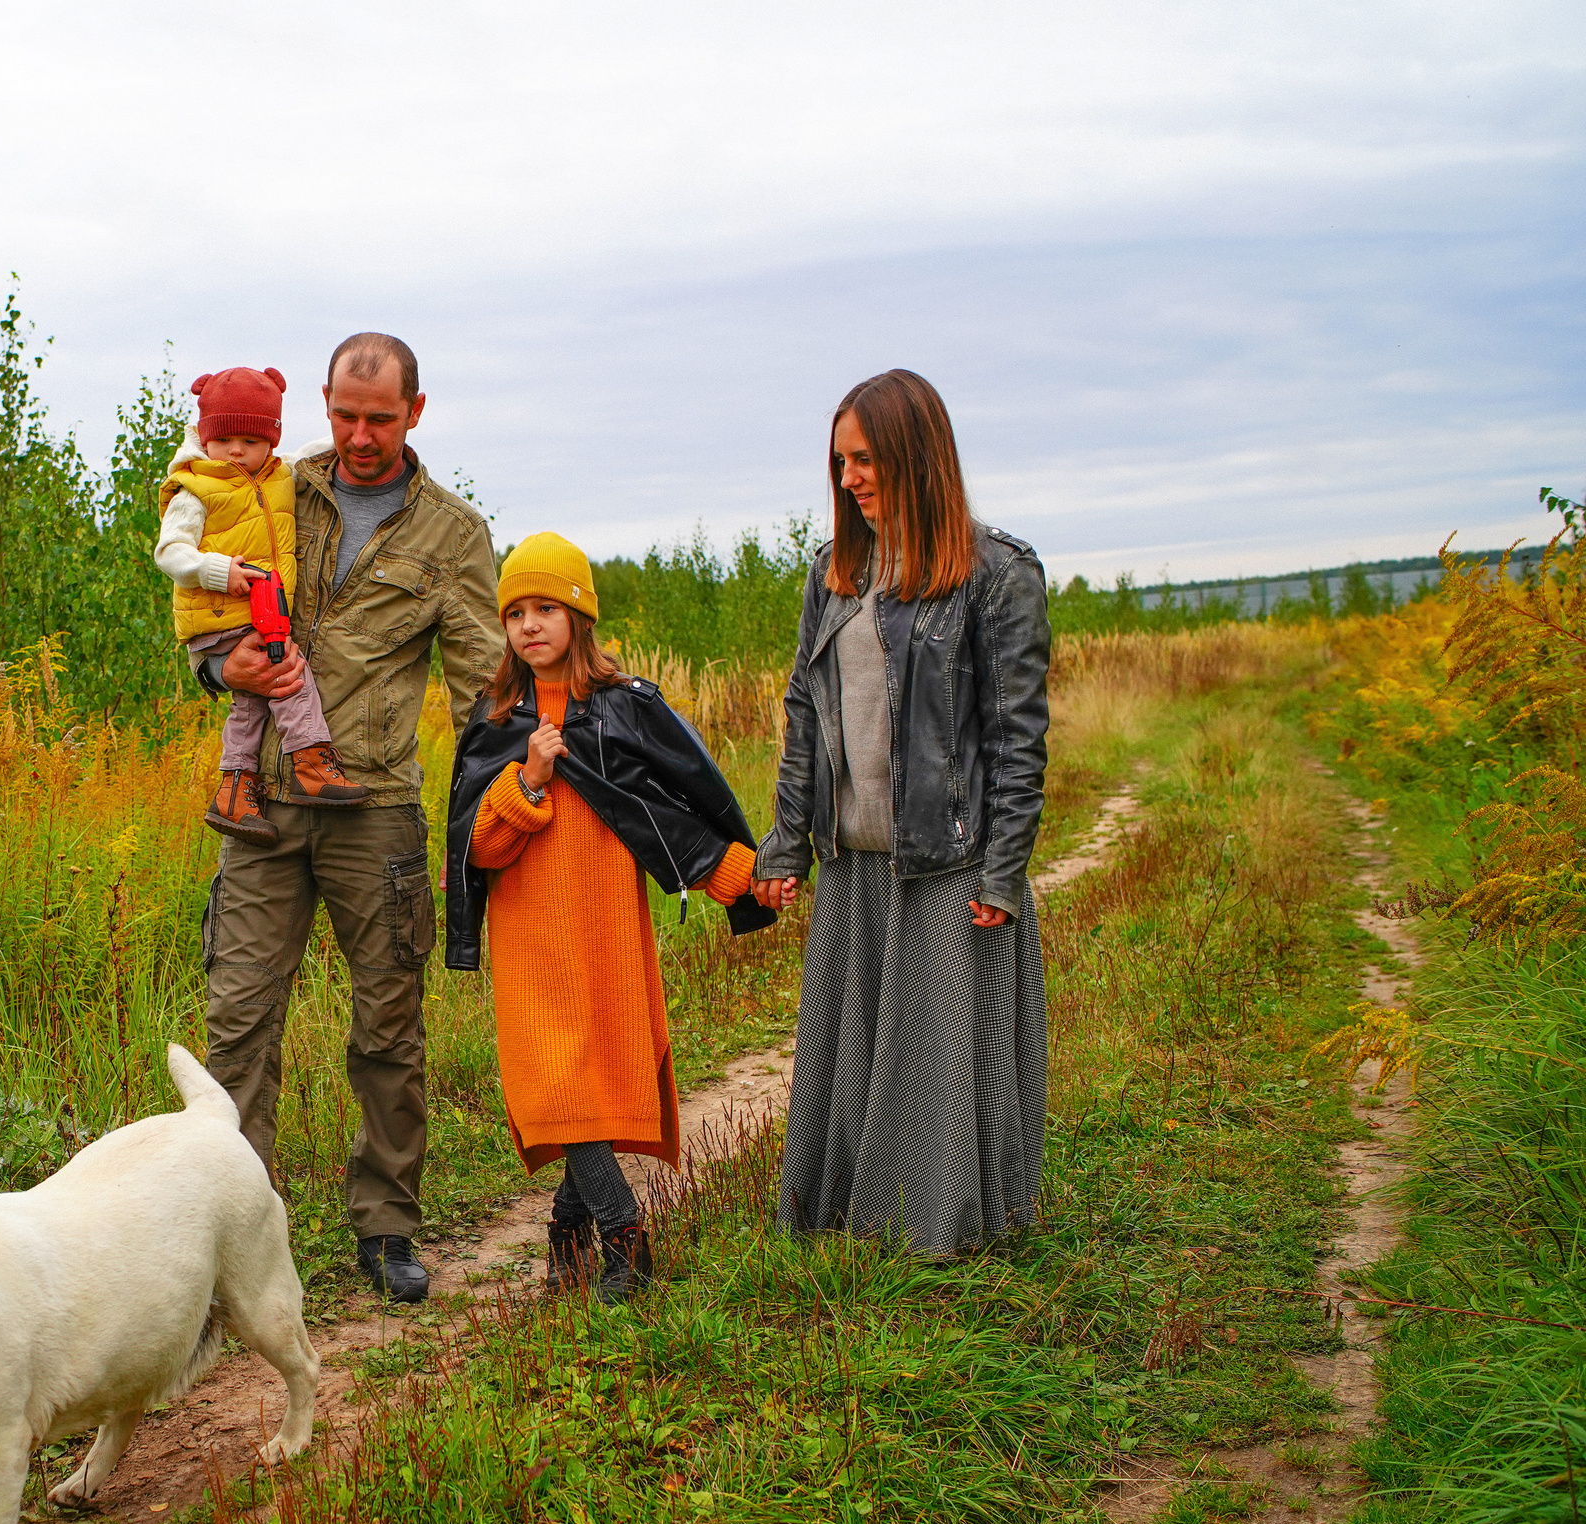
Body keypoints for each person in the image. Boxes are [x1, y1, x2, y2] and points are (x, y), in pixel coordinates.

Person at [198, 332, 503, 1303]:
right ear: (322, 403)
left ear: (415, 412)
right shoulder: (272, 490)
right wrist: (215, 666)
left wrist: (499, 815)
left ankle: (385, 1228)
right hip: (259, 812)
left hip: (375, 813)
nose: (359, 436)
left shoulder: (452, 535)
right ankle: (235, 1250)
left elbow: (481, 692)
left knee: (387, 1027)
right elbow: (200, 597)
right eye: (343, 414)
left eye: (378, 418)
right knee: (238, 1024)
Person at [750, 368, 1052, 1257]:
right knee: (850, 1059)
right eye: (841, 462)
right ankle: (848, 1221)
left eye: (868, 459)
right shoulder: (833, 576)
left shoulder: (997, 575)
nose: (851, 480)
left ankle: (943, 1230)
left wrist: (1002, 869)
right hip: (854, 860)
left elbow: (1016, 740)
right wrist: (786, 845)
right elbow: (806, 716)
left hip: (948, 864)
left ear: (919, 456)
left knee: (941, 1063)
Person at [443, 535, 779, 1301]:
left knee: (585, 1083)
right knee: (552, 1084)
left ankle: (569, 1227)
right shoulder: (495, 716)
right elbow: (477, 851)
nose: (530, 626)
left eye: (546, 609)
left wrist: (749, 880)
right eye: (515, 612)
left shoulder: (627, 707)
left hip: (602, 934)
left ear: (579, 616)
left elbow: (677, 814)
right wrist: (527, 780)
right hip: (529, 941)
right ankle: (625, 1233)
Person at [155, 366, 369, 845]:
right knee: (289, 675)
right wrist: (217, 571)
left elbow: (312, 453)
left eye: (251, 440)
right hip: (220, 613)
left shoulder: (278, 475)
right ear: (206, 436)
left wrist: (347, 439)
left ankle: (234, 790)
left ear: (270, 441)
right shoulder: (195, 488)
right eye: (225, 438)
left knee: (251, 705)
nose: (236, 451)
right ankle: (311, 762)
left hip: (257, 609)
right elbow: (169, 552)